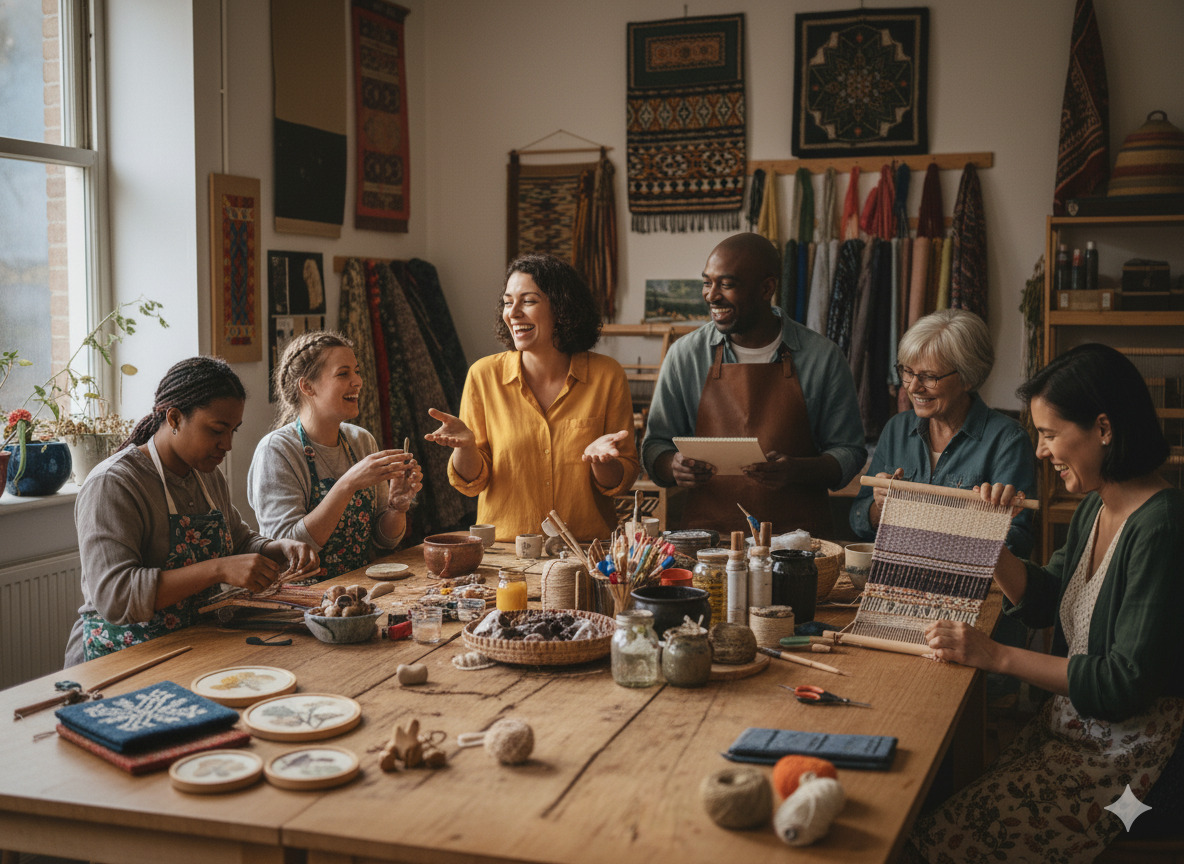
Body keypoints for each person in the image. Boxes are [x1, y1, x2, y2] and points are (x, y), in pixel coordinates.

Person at [906, 343, 1184, 863]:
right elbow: (1046, 602)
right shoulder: (1097, 508)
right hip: (1078, 740)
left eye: (1051, 435)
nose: (1040, 451)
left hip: (1140, 774)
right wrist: (989, 540)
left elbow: (1124, 682)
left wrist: (995, 655)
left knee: (940, 841)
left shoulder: (1162, 527)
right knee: (931, 808)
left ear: (1103, 428)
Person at [65, 357, 319, 665]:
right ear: (174, 418)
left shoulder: (207, 475)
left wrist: (278, 549)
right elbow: (117, 597)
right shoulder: (114, 484)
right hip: (120, 658)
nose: (226, 444)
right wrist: (219, 569)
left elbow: (238, 543)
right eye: (216, 430)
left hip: (191, 643)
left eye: (233, 431)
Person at [642, 232, 866, 537]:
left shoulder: (822, 357)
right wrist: (673, 465)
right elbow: (655, 446)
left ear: (767, 288)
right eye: (707, 282)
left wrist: (797, 470)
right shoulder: (685, 355)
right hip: (709, 546)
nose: (711, 295)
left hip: (797, 545)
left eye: (727, 284)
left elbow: (850, 451)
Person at [426, 254, 639, 542]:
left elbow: (620, 482)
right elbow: (472, 484)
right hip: (504, 553)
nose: (512, 313)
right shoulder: (483, 375)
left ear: (562, 309)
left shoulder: (607, 375)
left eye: (528, 301)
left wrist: (602, 462)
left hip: (587, 551)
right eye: (507, 301)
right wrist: (465, 448)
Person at [850, 309, 1038, 556]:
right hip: (899, 574)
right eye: (907, 372)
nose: (913, 387)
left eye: (929, 377)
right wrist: (880, 507)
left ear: (968, 378)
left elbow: (1019, 541)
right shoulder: (897, 429)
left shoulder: (1008, 441)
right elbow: (858, 519)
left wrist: (981, 524)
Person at [248, 331, 421, 579]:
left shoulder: (361, 440)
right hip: (300, 599)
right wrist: (348, 484)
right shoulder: (277, 450)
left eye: (357, 371)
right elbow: (288, 549)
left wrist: (397, 506)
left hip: (358, 591)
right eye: (343, 373)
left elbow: (384, 540)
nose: (358, 381)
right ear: (307, 386)